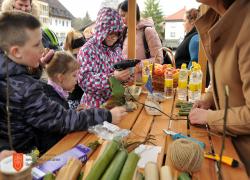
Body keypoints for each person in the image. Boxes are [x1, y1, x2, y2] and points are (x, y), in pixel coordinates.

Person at [0, 11, 127, 154]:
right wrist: (107, 116)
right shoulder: (25, 87)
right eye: (36, 45)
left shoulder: (11, 77)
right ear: (16, 52)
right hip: (25, 161)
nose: (42, 49)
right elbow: (62, 120)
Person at [189, 0, 250, 175]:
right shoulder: (219, 17)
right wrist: (209, 98)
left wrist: (209, 117)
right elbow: (229, 78)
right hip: (229, 145)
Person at [78, 7, 131, 108]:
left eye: (117, 33)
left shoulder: (116, 48)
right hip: (95, 107)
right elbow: (85, 81)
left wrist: (126, 73)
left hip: (115, 101)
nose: (114, 37)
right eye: (110, 33)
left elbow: (119, 69)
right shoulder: (88, 50)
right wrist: (112, 78)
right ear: (102, 30)